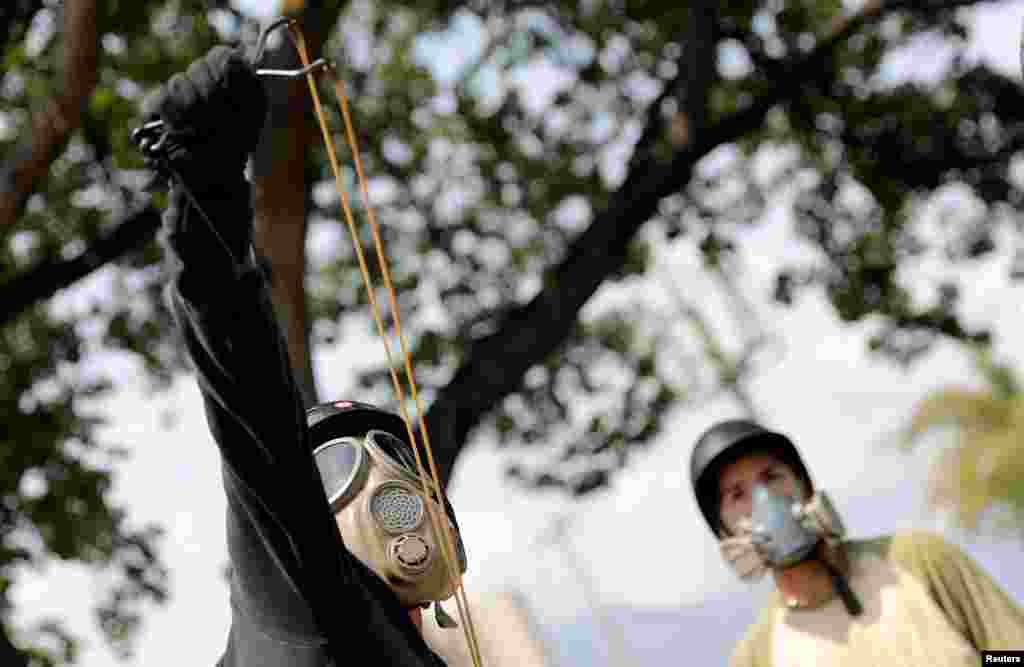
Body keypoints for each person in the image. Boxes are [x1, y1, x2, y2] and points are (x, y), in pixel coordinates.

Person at [142, 45, 467, 666]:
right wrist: (208, 194)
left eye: (397, 453)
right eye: (334, 465)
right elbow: (249, 399)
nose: (381, 476)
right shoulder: (296, 602)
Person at [690, 419, 1024, 667]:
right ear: (726, 533)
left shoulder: (918, 560)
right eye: (737, 494)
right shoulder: (758, 656)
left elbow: (1011, 655)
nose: (765, 501)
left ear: (805, 487)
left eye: (771, 477)